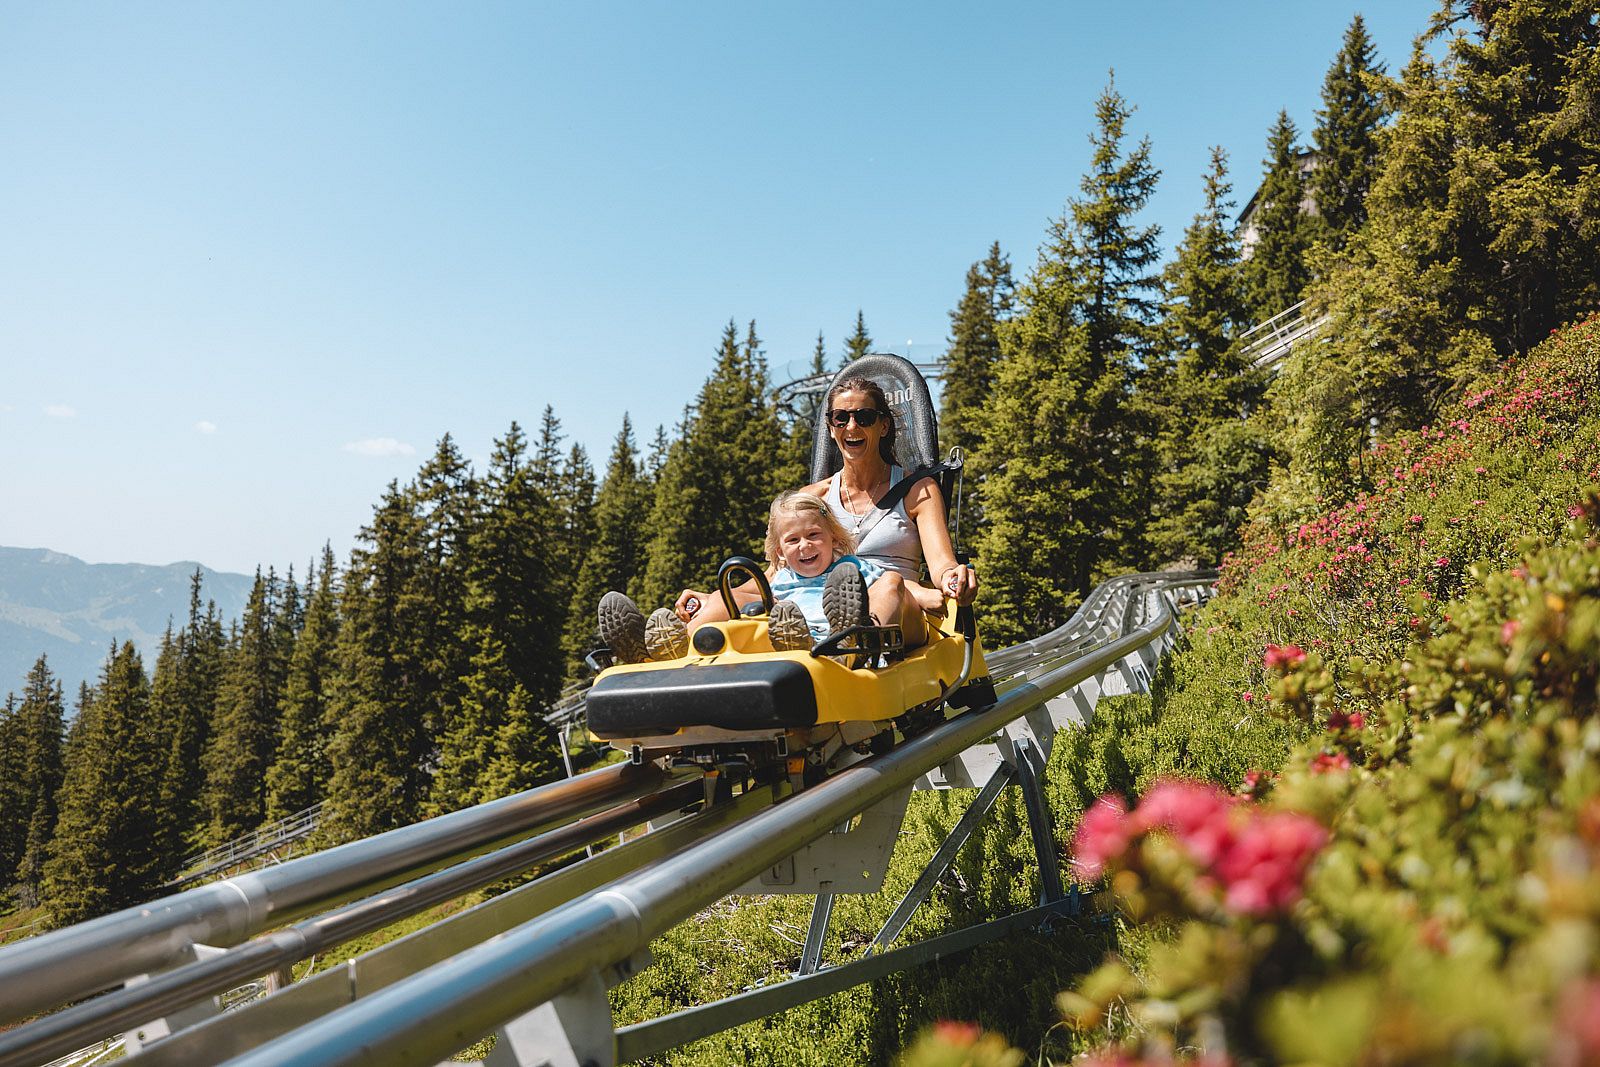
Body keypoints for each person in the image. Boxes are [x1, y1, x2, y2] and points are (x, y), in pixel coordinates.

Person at [672, 376, 977, 636]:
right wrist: (719, 596)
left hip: (900, 608)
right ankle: (677, 653)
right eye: (841, 418)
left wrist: (954, 579)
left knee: (889, 586)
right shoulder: (812, 497)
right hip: (816, 601)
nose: (851, 426)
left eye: (864, 417)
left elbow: (942, 565)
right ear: (831, 428)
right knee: (723, 602)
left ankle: (857, 641)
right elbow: (778, 573)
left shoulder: (918, 491)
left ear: (883, 426)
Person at [598, 492, 892, 663]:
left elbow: (895, 588)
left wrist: (935, 590)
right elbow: (740, 595)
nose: (804, 546)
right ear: (779, 550)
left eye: (814, 536)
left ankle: (848, 644)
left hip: (835, 643)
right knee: (730, 600)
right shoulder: (781, 579)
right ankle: (661, 655)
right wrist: (713, 599)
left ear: (833, 539)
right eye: (793, 541)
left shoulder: (852, 569)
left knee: (882, 588)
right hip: (780, 639)